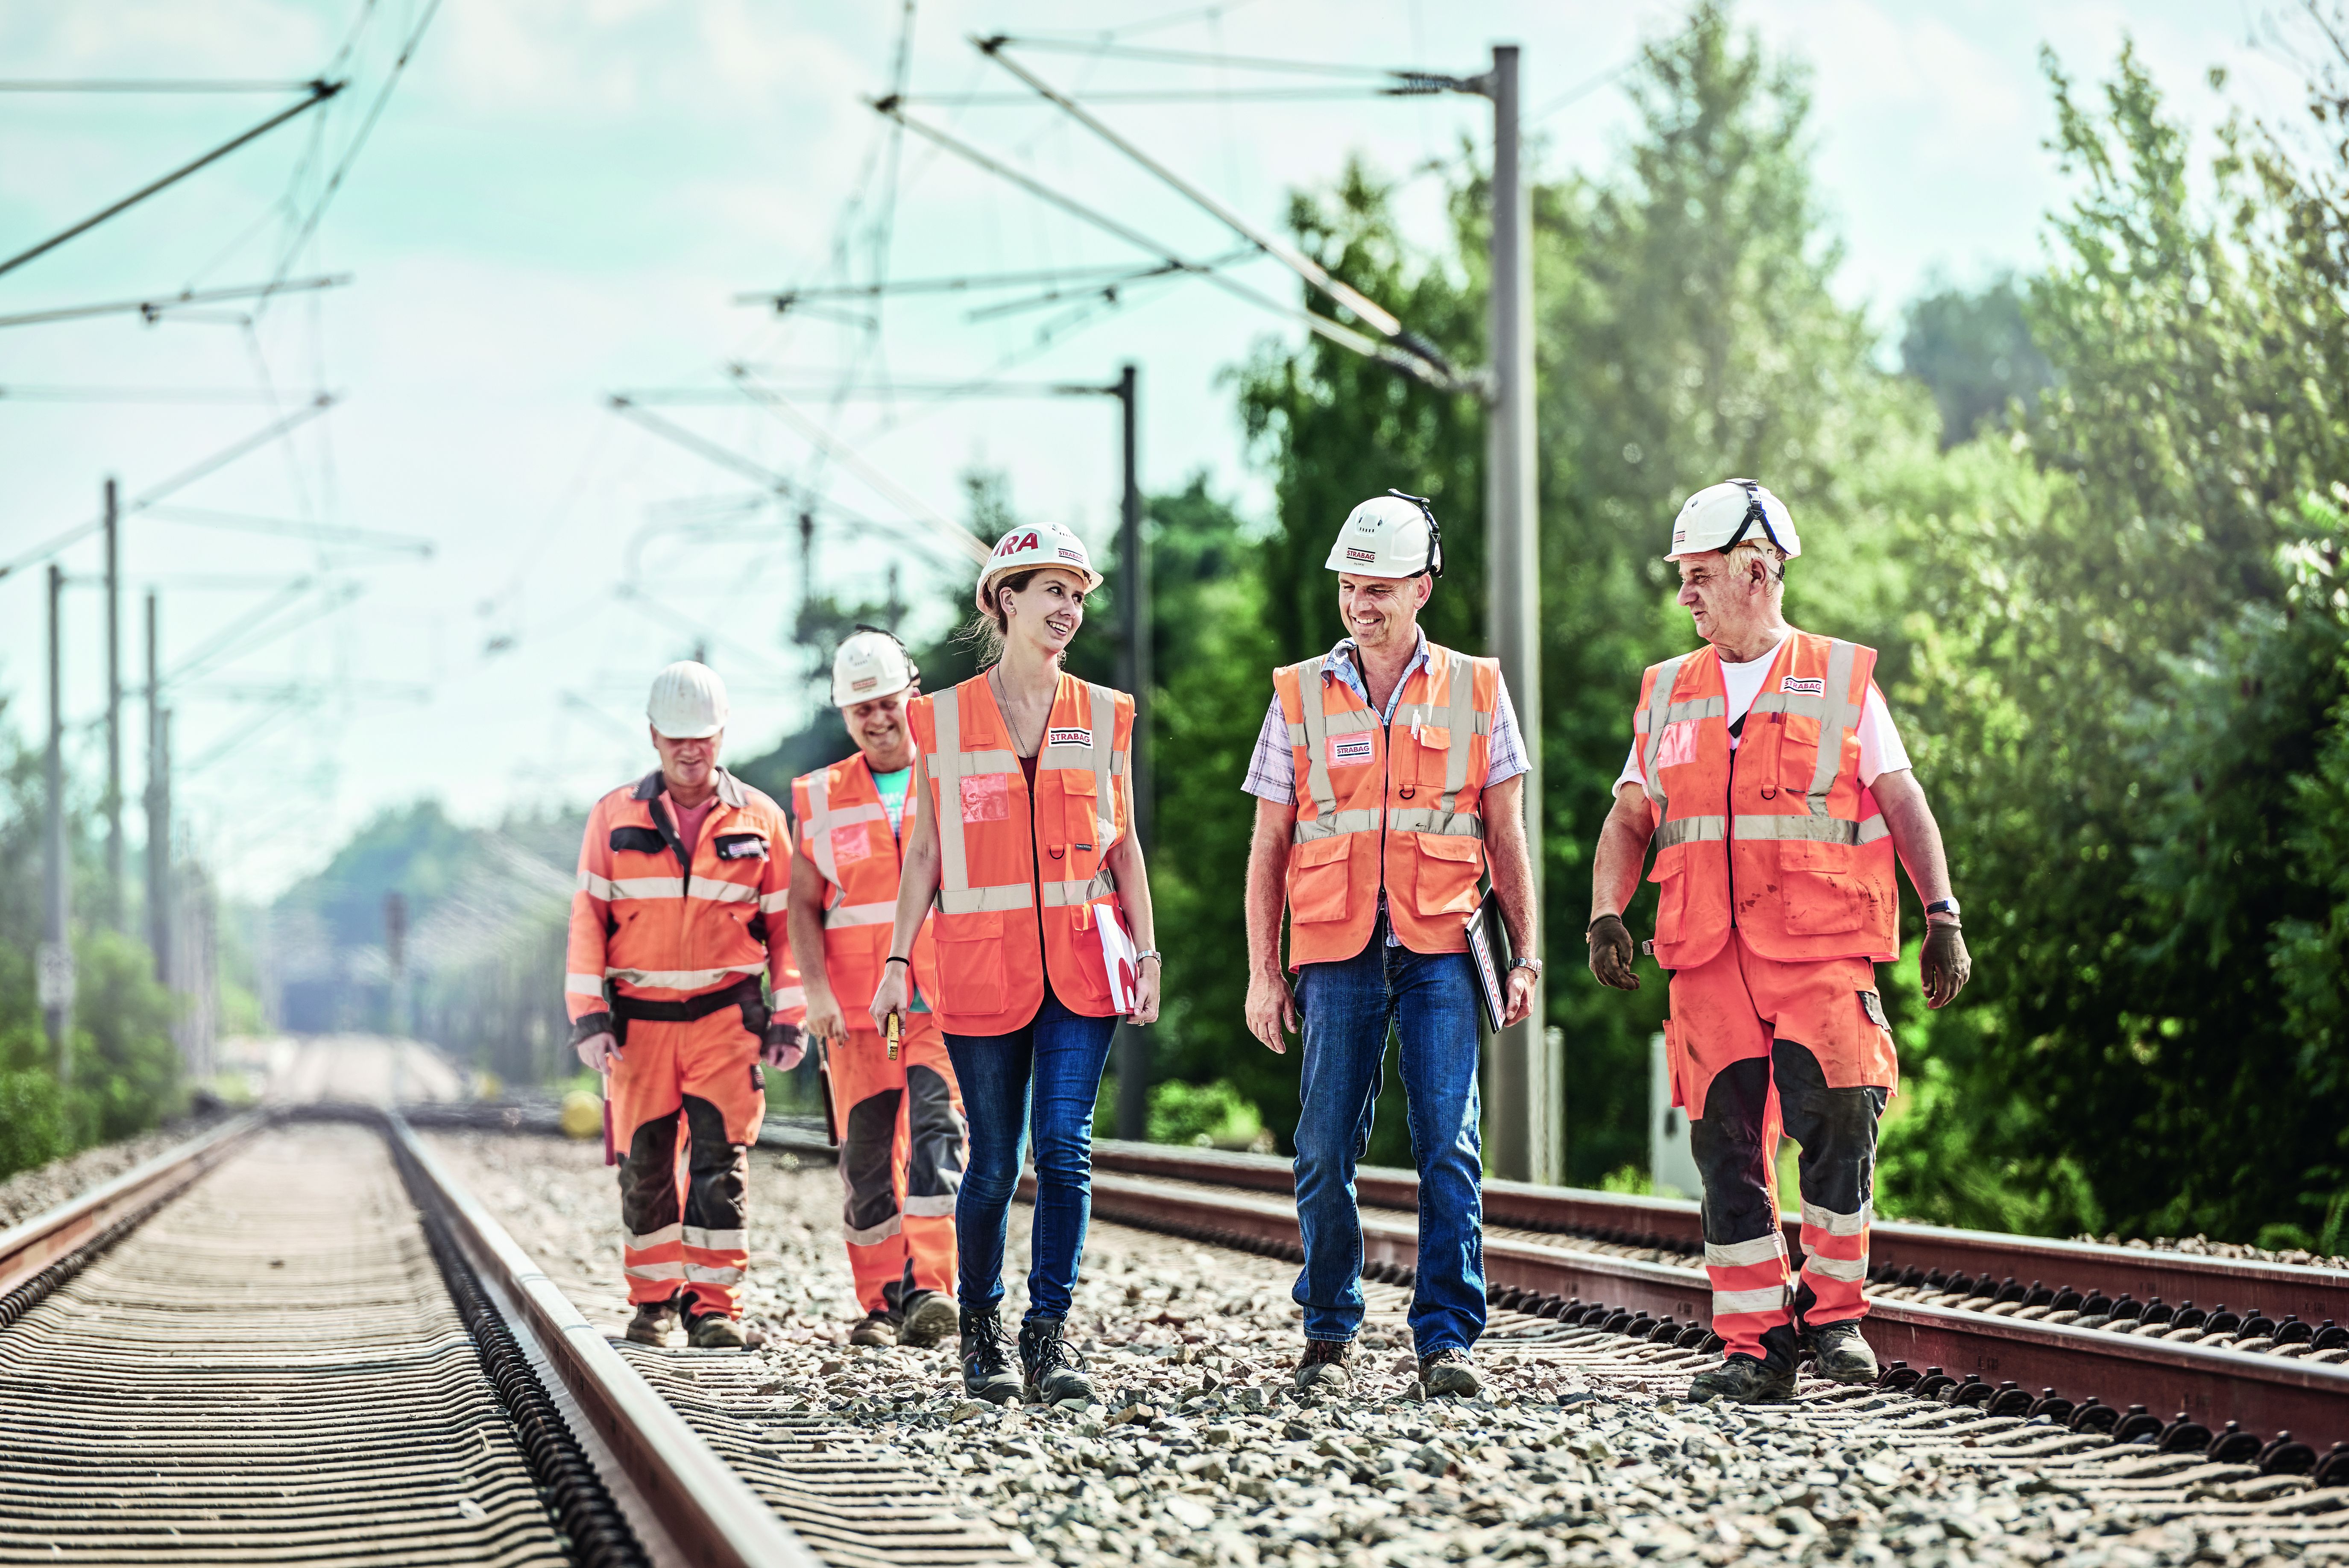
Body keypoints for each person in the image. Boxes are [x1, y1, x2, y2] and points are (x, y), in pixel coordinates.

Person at [1586, 479, 1972, 1405]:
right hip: (1706, 961)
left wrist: (1942, 914)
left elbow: (1900, 801)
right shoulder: (1669, 691)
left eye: (1699, 575)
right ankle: (1752, 1345)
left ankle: (1834, 1318)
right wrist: (1606, 911)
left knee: (1839, 1127)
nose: (1683, 595)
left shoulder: (1841, 681)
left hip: (1820, 952)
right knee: (1724, 1150)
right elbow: (1628, 817)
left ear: (1759, 571)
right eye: (1682, 577)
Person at [1241, 491, 1541, 1401]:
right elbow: (1268, 846)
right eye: (1348, 584)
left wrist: (1525, 955)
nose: (1358, 602)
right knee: (1323, 1147)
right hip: (1334, 944)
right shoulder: (1296, 693)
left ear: (1421, 588)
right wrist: (1262, 971)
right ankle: (1327, 1332)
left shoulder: (1477, 688)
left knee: (1446, 1142)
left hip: (1443, 943)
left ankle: (1444, 1342)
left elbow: (1506, 832)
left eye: (1377, 587)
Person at [870, 522, 1161, 1407]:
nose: (1069, 610)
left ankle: (1049, 1337)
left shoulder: (1105, 714)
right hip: (981, 974)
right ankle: (981, 1333)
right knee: (994, 1160)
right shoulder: (943, 720)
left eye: (1078, 595)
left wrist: (1147, 951)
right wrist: (893, 959)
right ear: (1004, 601)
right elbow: (924, 852)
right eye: (1051, 593)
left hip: (1082, 971)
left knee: (1065, 1152)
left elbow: (1122, 845)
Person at [565, 661, 807, 1351]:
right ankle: (652, 1303)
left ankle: (714, 1307)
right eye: (676, 738)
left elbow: (786, 928)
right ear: (652, 736)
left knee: (718, 1163)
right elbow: (588, 920)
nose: (689, 750)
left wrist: (788, 1017)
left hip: (726, 1022)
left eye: (701, 737)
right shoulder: (613, 818)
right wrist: (589, 1016)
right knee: (645, 1165)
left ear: (722, 734)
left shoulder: (761, 818)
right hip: (640, 1025)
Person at [787, 629, 967, 1351]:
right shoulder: (820, 796)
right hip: (857, 1015)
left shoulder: (956, 772)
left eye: (887, 703)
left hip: (942, 1003)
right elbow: (802, 905)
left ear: (911, 697)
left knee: (937, 1141)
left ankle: (933, 1289)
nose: (878, 720)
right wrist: (817, 997)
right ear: (846, 715)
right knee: (866, 1160)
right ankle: (881, 1303)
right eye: (861, 710)